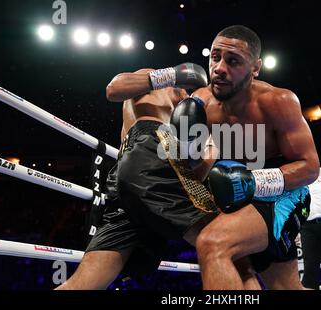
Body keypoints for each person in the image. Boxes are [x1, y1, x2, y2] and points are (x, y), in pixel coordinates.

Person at [56, 65, 221, 289]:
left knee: (82, 285)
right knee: (230, 242)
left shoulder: (200, 120)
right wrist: (172, 74)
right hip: (152, 154)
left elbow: (193, 175)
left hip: (138, 178)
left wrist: (212, 149)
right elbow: (113, 89)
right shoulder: (159, 84)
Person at [188, 25, 320, 289]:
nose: (219, 68)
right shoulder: (200, 103)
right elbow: (194, 166)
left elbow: (310, 167)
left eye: (233, 61)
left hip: (284, 192)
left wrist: (252, 181)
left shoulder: (278, 101)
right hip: (233, 195)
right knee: (282, 287)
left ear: (255, 68)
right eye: (215, 57)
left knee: (213, 244)